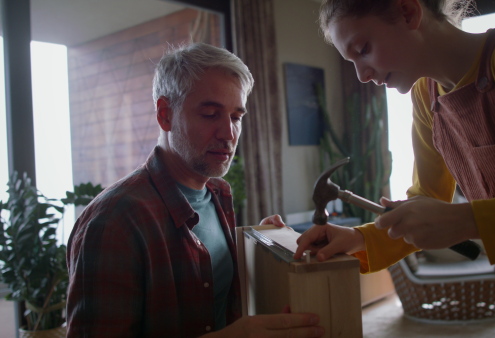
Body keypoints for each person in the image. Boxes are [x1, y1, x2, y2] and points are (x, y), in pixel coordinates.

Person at [295, 0, 495, 336]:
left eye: (364, 49)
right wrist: (356, 238)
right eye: (351, 61)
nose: (362, 76)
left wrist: (466, 220)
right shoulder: (426, 98)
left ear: (409, 12)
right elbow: (426, 198)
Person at [67, 42, 324, 338]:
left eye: (236, 117)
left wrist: (262, 245)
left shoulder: (218, 193)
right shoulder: (114, 222)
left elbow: (211, 290)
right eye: (210, 114)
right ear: (165, 115)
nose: (229, 133)